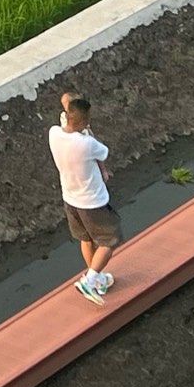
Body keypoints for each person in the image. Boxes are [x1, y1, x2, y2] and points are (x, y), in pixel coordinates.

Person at [50, 92, 120, 301]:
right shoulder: (87, 144)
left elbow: (66, 102)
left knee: (86, 238)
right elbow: (104, 152)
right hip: (92, 202)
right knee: (110, 240)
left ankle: (97, 278)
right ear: (84, 122)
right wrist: (88, 131)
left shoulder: (54, 133)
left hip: (70, 199)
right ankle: (89, 282)